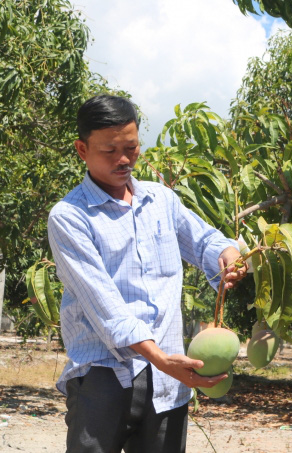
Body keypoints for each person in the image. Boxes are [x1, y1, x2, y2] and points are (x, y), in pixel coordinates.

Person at [47, 94, 247, 453]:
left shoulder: (161, 200)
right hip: (103, 373)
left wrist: (227, 255)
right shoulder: (69, 217)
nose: (124, 159)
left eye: (132, 147)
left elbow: (204, 241)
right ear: (82, 149)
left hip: (168, 380)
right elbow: (104, 305)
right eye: (110, 151)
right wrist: (159, 357)